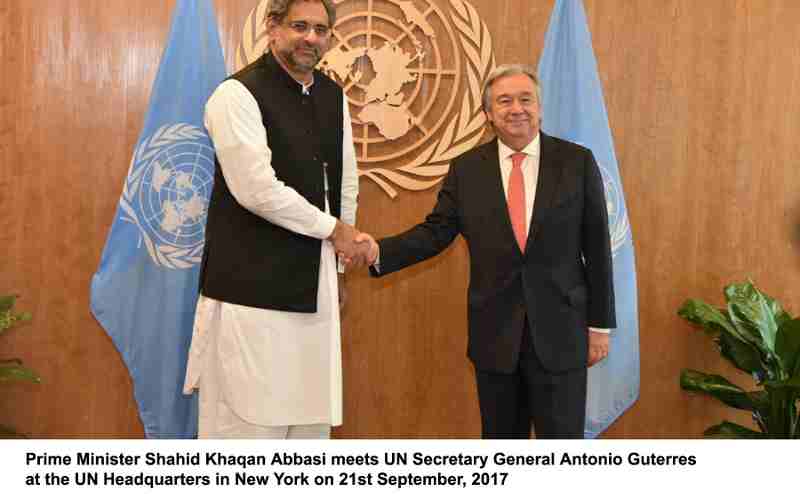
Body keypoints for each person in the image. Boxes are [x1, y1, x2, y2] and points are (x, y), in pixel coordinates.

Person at [355, 64, 616, 439]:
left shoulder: (576, 162)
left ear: (540, 108)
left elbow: (597, 247)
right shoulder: (467, 169)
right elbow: (436, 233)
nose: (516, 109)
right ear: (487, 114)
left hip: (562, 335)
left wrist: (599, 326)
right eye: (504, 101)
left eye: (525, 99)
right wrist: (379, 250)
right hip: (496, 338)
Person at [183, 0, 364, 439]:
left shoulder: (330, 94)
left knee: (308, 433)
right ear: (273, 27)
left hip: (314, 286)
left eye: (321, 29)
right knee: (247, 433)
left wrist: (338, 264)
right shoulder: (235, 95)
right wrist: (335, 231)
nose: (311, 38)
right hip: (251, 293)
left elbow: (344, 182)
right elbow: (256, 190)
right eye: (299, 26)